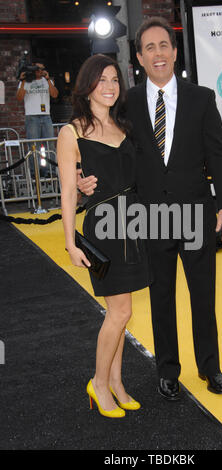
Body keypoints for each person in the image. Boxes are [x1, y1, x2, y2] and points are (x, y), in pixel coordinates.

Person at [77, 17, 222, 401]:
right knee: (161, 297)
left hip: (197, 213)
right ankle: (168, 370)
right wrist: (85, 180)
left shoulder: (202, 98)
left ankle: (210, 367)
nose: (158, 53)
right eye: (149, 47)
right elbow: (104, 145)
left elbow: (218, 154)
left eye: (163, 45)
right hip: (149, 217)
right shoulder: (126, 101)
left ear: (175, 51)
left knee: (203, 295)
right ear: (139, 58)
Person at [57, 54, 152, 418]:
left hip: (134, 224)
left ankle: (116, 382)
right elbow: (68, 192)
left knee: (122, 314)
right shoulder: (72, 132)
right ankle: (98, 383)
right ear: (87, 86)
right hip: (104, 228)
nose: (110, 86)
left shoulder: (124, 128)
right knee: (120, 311)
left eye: (115, 80)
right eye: (103, 80)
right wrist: (70, 242)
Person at [16, 60, 58, 175]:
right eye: (37, 69)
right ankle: (35, 172)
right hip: (31, 116)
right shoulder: (26, 81)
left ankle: (51, 170)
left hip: (46, 116)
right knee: (34, 146)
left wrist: (48, 80)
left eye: (42, 68)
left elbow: (54, 94)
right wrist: (23, 81)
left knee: (50, 145)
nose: (40, 71)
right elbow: (19, 97)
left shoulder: (46, 80)